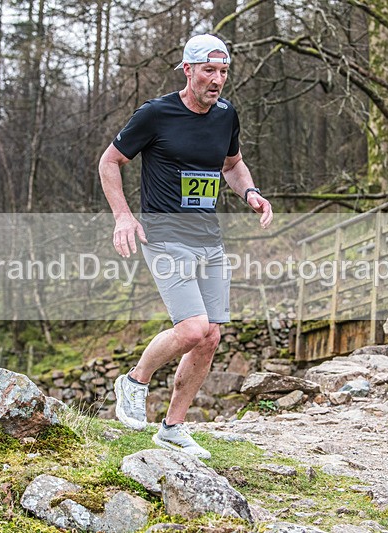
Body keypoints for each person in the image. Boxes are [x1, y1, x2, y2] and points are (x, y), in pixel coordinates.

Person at [98, 34, 272, 459]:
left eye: (223, 72)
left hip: (207, 236)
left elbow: (232, 165)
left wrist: (249, 193)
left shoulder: (226, 115)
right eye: (208, 71)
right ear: (188, 70)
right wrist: (123, 215)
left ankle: (173, 428)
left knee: (210, 337)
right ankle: (135, 380)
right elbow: (109, 161)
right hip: (164, 233)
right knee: (192, 328)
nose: (217, 80)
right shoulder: (156, 114)